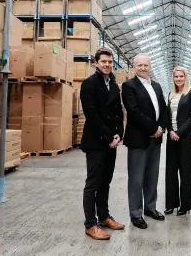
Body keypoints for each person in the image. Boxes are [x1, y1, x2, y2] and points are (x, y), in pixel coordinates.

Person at [80, 47, 125, 240]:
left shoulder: (113, 85)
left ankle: (104, 216)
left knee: (106, 181)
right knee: (93, 183)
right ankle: (90, 223)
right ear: (95, 63)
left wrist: (119, 135)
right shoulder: (89, 84)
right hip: (97, 141)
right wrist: (109, 138)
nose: (107, 65)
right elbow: (92, 115)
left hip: (111, 141)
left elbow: (118, 113)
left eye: (109, 62)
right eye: (103, 62)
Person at [122, 53, 168, 229]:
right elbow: (133, 112)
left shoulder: (156, 86)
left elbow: (163, 109)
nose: (142, 68)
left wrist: (162, 128)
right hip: (138, 139)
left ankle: (150, 208)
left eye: (145, 65)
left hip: (156, 139)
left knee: (152, 176)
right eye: (139, 65)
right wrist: (153, 129)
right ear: (134, 67)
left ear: (150, 66)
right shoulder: (128, 86)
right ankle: (136, 213)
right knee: (136, 178)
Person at [165, 67, 191, 216]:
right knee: (171, 171)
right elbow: (166, 116)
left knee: (185, 172)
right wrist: (171, 131)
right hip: (171, 137)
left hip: (185, 137)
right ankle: (171, 204)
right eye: (176, 76)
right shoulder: (170, 95)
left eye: (181, 76)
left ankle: (185, 205)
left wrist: (179, 132)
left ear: (186, 78)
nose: (178, 79)